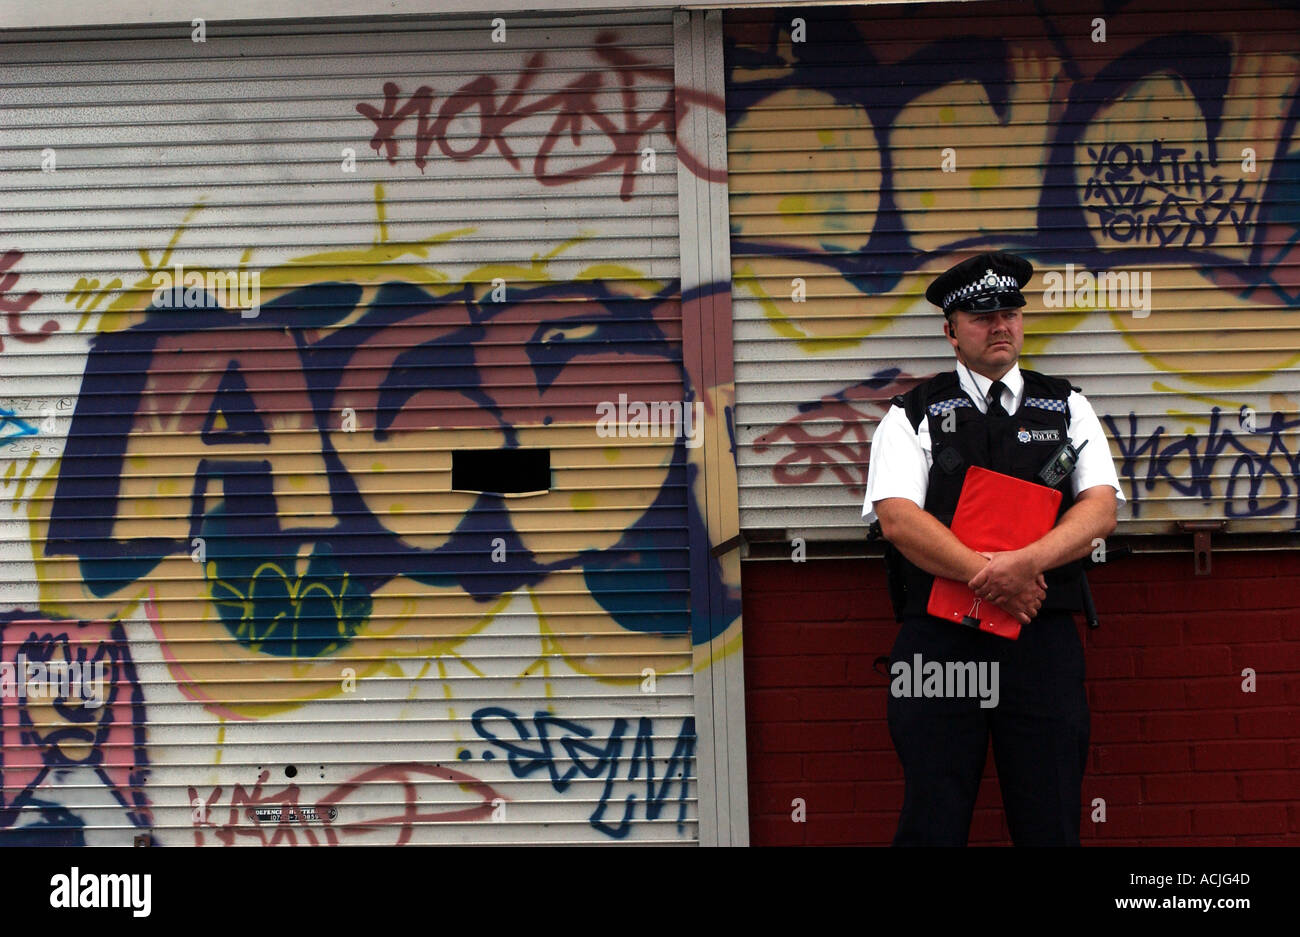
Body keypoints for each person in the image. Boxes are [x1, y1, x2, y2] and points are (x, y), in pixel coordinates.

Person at [861, 251, 1124, 846]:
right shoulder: (912, 414)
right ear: (951, 332)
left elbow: (1100, 507)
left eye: (1009, 312)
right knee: (933, 815)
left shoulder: (1067, 405)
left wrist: (1026, 564)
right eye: (981, 317)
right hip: (940, 645)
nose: (1000, 325)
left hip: (1041, 641)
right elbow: (899, 519)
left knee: (1051, 816)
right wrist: (993, 574)